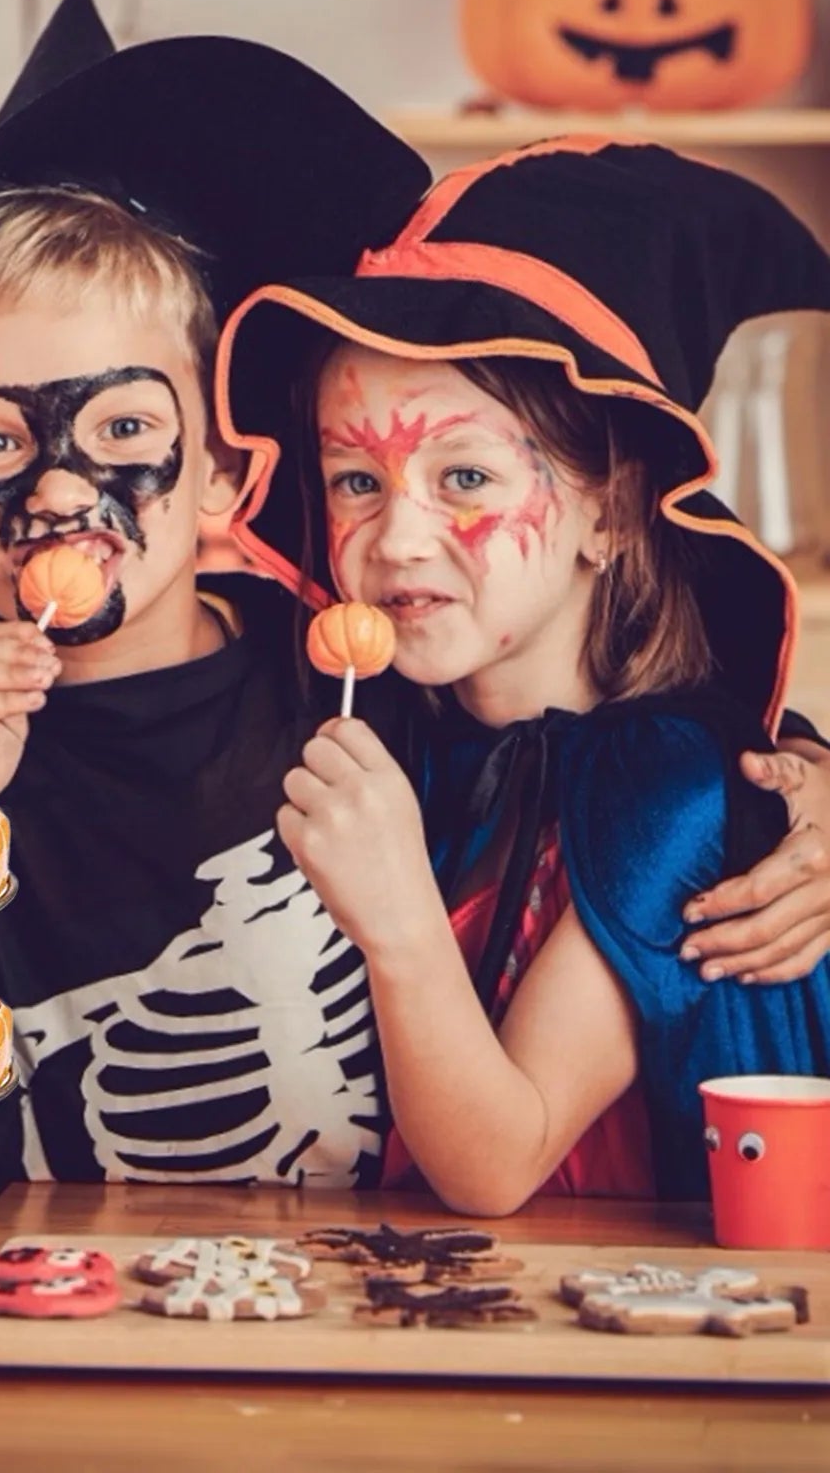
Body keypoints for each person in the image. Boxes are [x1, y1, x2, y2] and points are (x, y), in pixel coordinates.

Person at [0, 0, 830, 1206]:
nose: (60, 489)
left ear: (226, 465)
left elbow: (611, 755)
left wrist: (797, 790)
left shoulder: (363, 683)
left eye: (125, 428)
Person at [217, 136, 830, 1210]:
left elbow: (498, 1162)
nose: (397, 538)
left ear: (612, 512)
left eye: (465, 477)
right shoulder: (402, 733)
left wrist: (397, 917)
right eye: (356, 480)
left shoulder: (672, 785)